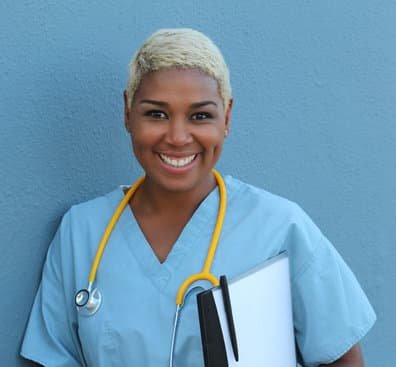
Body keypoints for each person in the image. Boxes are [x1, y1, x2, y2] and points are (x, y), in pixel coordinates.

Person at [20, 28, 376, 367]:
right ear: (128, 113)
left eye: (200, 115)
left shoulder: (280, 229)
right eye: (156, 114)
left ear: (227, 117)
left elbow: (342, 357)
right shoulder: (81, 232)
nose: (177, 137)